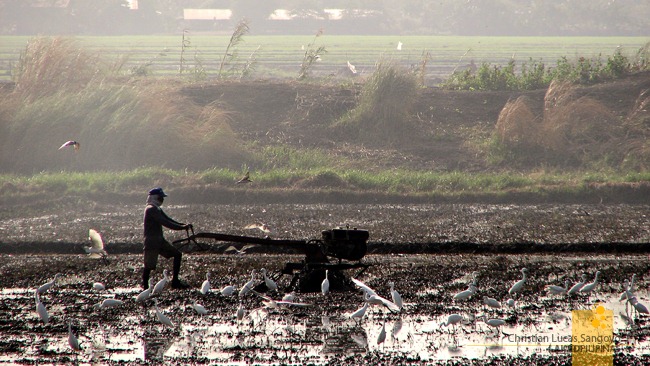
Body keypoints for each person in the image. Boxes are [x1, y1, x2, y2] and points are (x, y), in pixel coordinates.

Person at [142, 187, 192, 290]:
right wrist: (181, 228)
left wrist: (183, 225)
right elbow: (165, 222)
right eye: (161, 197)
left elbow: (168, 219)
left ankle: (175, 281)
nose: (162, 200)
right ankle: (145, 288)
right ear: (156, 198)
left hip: (159, 240)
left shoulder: (157, 208)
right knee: (149, 266)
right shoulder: (151, 209)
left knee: (177, 254)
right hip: (152, 242)